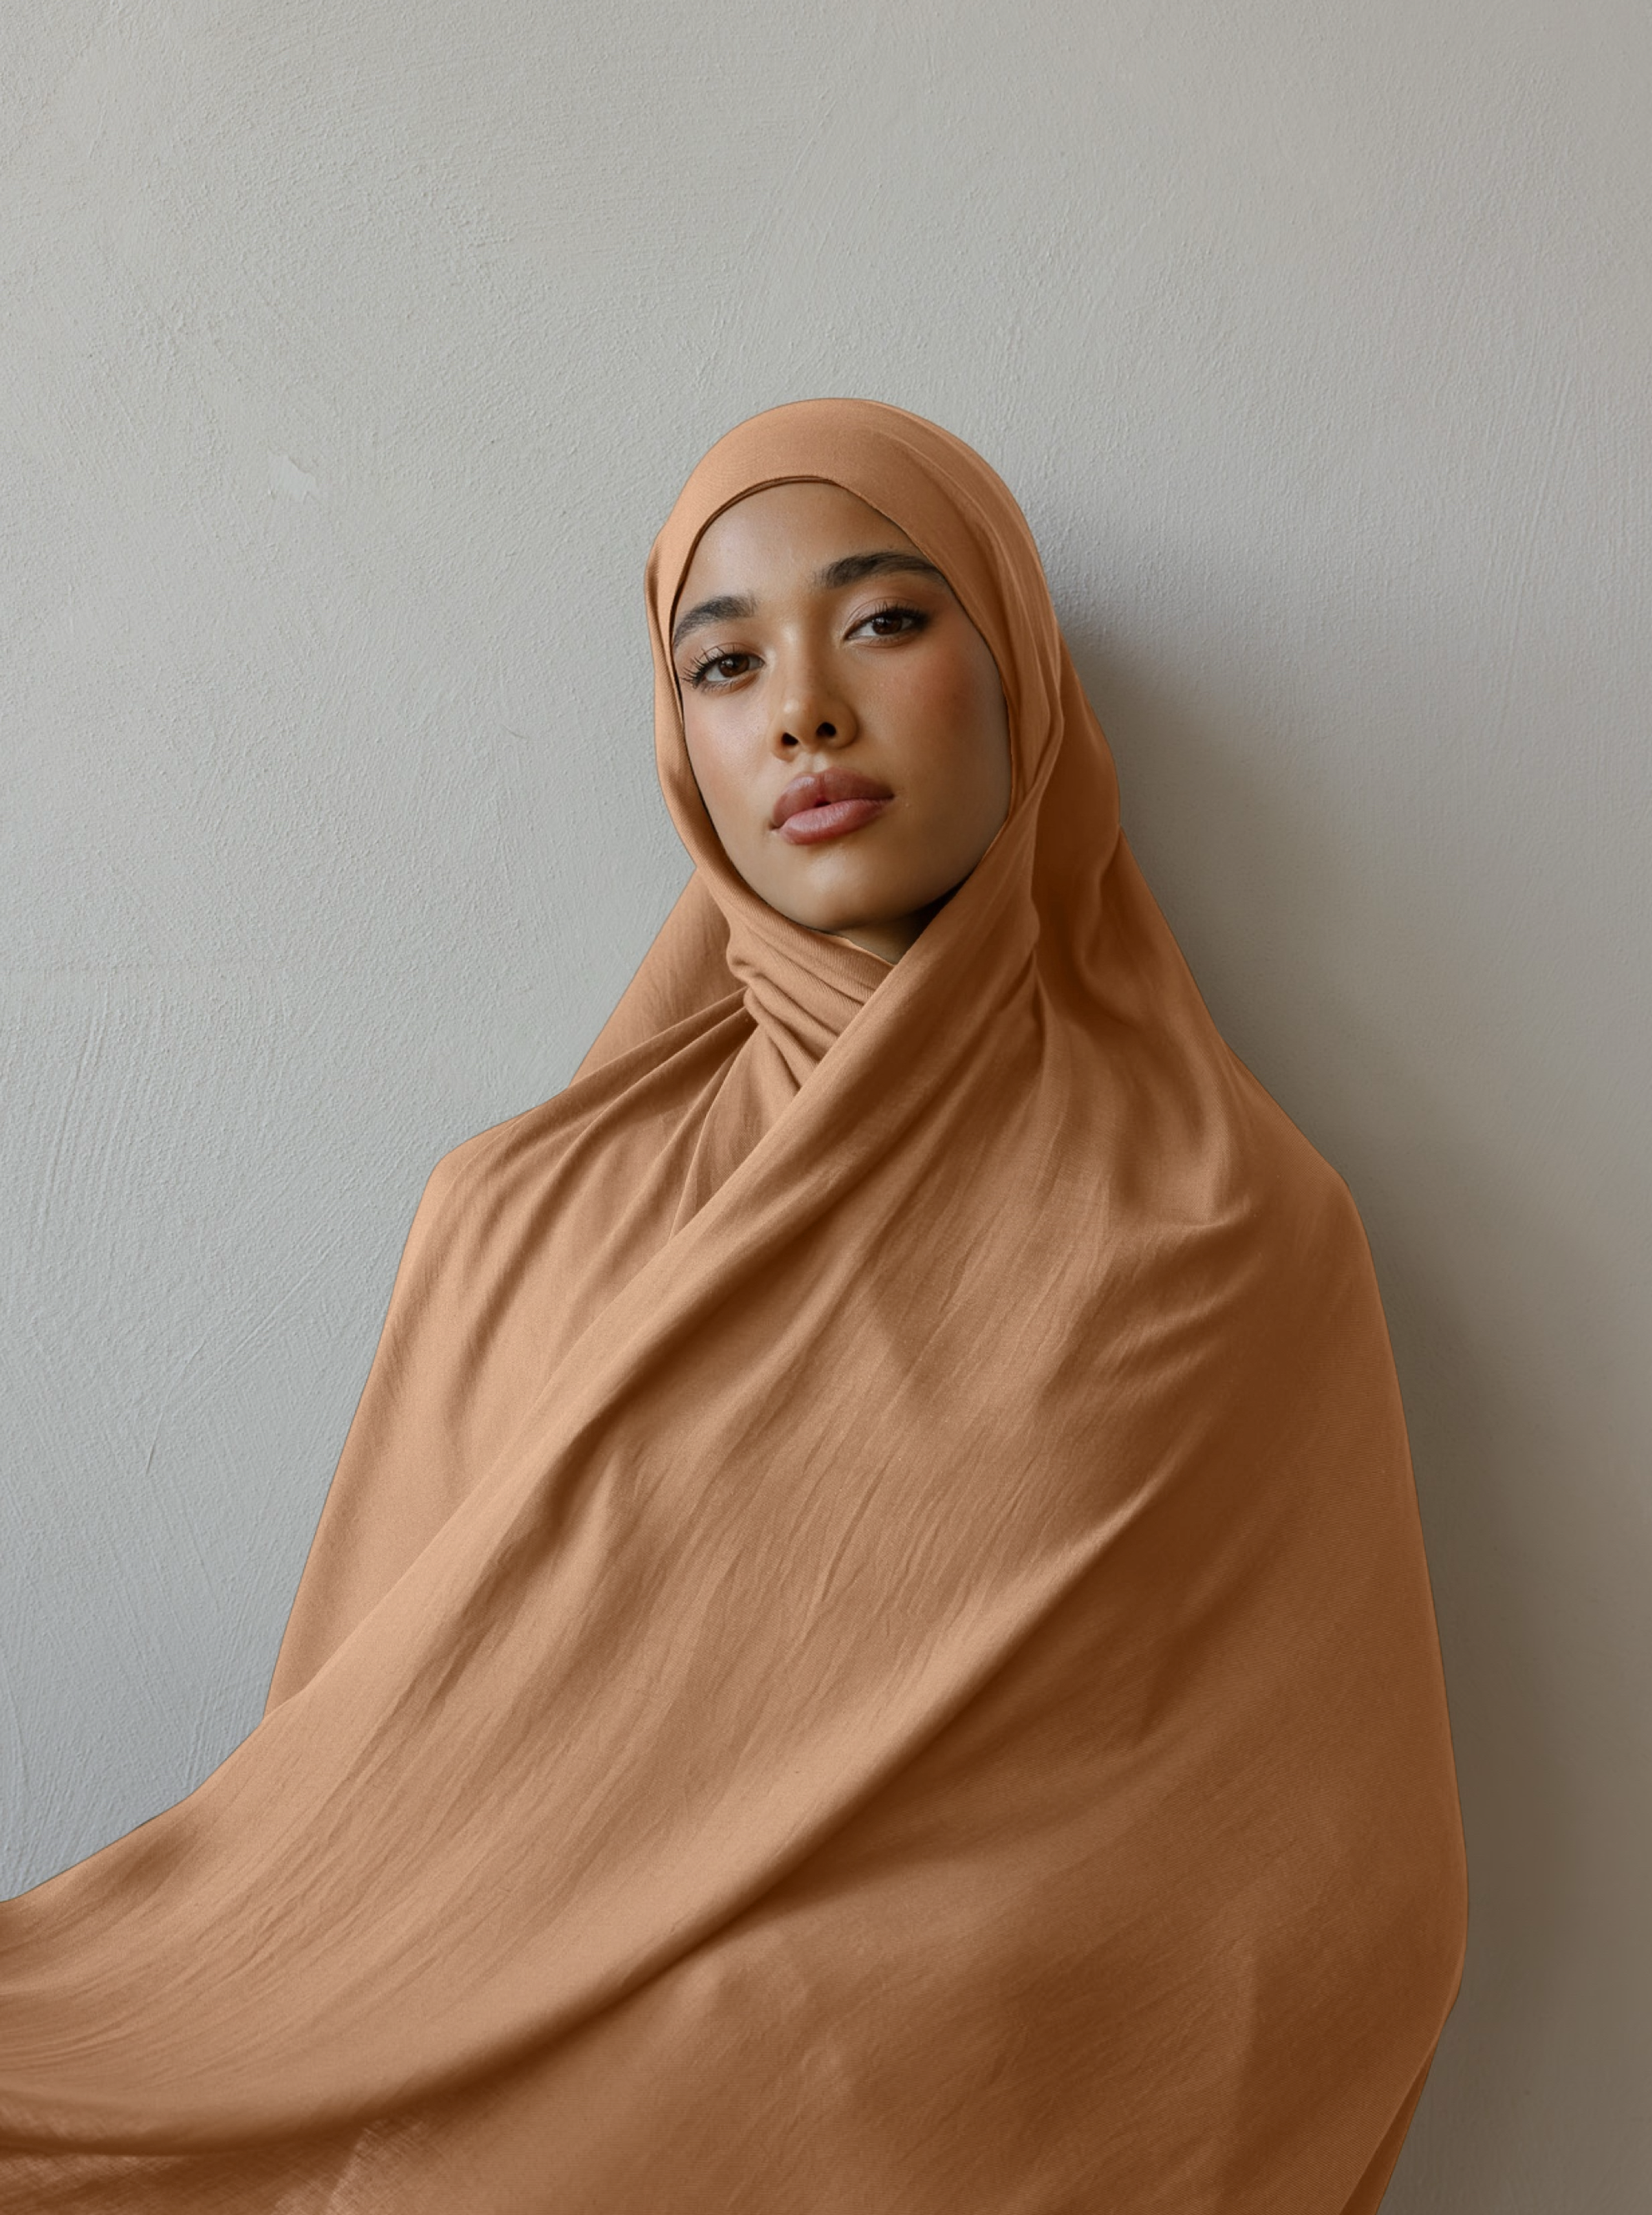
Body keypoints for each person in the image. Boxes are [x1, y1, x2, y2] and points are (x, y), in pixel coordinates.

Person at [0, 399, 1466, 2212]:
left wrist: (800, 2012)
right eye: (723, 658)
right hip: (449, 2035)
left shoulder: (1222, 1227)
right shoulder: (522, 1212)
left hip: (929, 2091)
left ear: (1019, 673)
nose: (804, 710)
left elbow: (1329, 1880)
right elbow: (361, 1815)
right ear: (680, 741)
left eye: (886, 619)